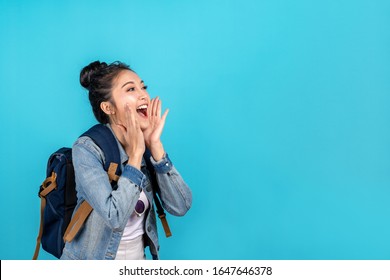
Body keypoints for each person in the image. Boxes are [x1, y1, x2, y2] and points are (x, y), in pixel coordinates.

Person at [60, 61, 192, 260]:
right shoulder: (87, 149)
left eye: (143, 87)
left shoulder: (147, 146)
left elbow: (180, 206)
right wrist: (136, 155)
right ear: (108, 107)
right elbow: (115, 217)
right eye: (131, 89)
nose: (143, 95)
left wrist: (155, 146)